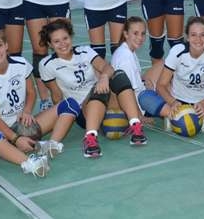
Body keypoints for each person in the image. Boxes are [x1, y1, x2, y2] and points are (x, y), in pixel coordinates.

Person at [39, 19, 147, 158]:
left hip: (103, 97)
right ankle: (90, 139)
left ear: (70, 37)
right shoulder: (47, 64)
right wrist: (63, 118)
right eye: (56, 41)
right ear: (50, 44)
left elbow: (107, 67)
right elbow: (57, 96)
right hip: (83, 111)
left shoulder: (84, 51)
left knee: (118, 74)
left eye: (65, 38)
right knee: (98, 90)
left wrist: (104, 77)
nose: (63, 44)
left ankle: (136, 126)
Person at [0, 29, 77, 176]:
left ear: (6, 45)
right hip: (2, 133)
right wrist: (16, 139)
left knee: (70, 104)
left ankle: (50, 146)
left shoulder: (21, 64)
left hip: (24, 124)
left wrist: (27, 111)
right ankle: (31, 163)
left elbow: (31, 92)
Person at [138, 17, 204, 134]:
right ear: (187, 37)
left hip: (203, 104)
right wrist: (172, 102)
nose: (198, 39)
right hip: (178, 102)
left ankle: (177, 119)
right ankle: (192, 118)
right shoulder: (178, 51)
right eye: (193, 35)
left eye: (203, 35)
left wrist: (203, 104)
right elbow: (161, 85)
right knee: (144, 96)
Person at [110, 16, 163, 119]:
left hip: (139, 94)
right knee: (167, 82)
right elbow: (129, 92)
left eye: (143, 34)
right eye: (135, 33)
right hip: (141, 104)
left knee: (164, 64)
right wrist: (139, 116)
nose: (140, 38)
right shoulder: (126, 57)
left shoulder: (126, 49)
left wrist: (143, 81)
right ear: (126, 34)